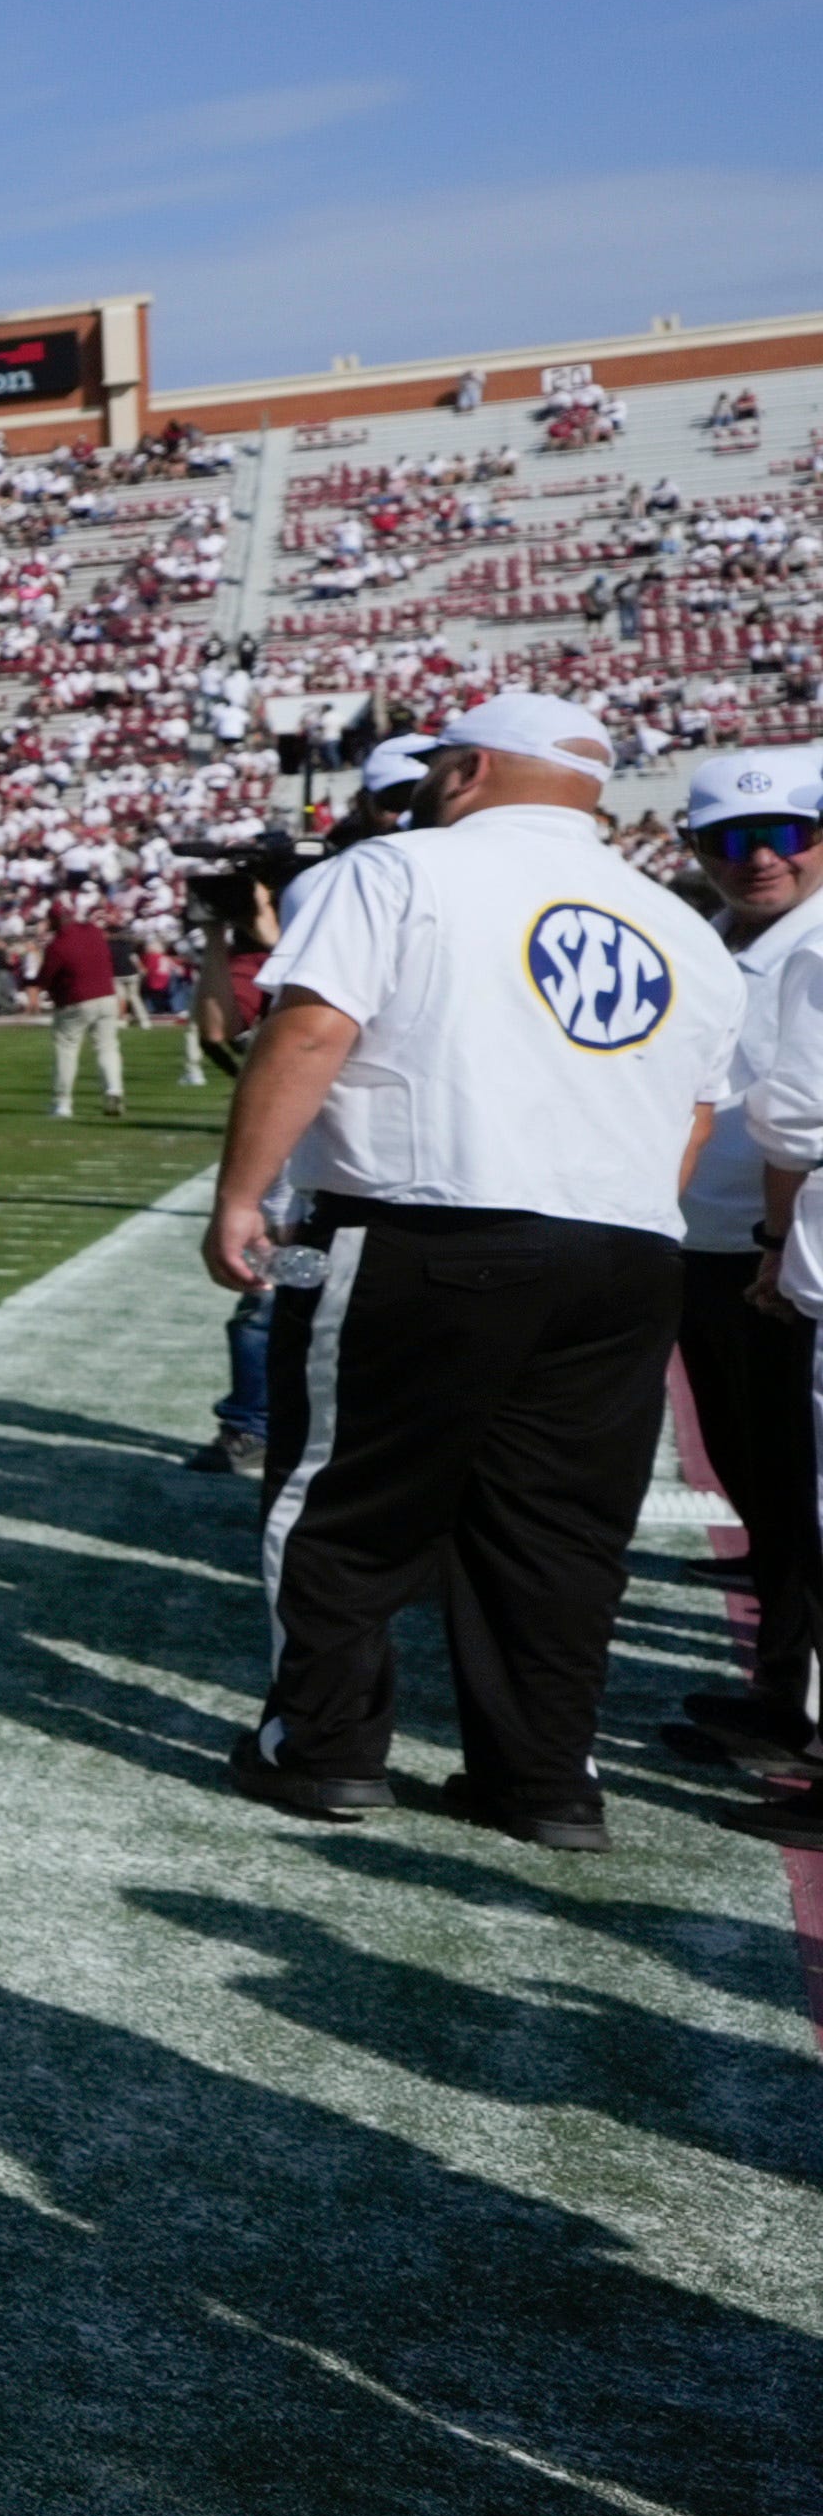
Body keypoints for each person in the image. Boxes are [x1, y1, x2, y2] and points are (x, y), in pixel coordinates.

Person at [210, 692, 719, 1848]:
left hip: (429, 1229)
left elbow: (310, 1026)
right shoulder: (677, 921)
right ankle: (542, 1781)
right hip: (628, 1248)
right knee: (557, 1532)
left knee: (345, 1503)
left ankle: (326, 1749)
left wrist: (244, 1191)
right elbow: (693, 1116)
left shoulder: (400, 869)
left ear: (471, 769)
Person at [664, 747, 823, 1770]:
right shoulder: (711, 937)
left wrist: (775, 1247)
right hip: (716, 1251)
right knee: (757, 1483)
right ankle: (784, 1684)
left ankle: (799, 1708)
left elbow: (798, 1121)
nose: (758, 857)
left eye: (785, 834)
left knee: (798, 1493)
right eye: (728, 840)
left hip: (786, 1263)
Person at [37, 883, 135, 1119]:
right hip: (107, 996)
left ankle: (63, 1103)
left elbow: (45, 978)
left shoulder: (58, 945)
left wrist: (53, 992)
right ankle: (113, 1088)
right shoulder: (92, 931)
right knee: (108, 1047)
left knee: (67, 1049)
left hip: (76, 1000)